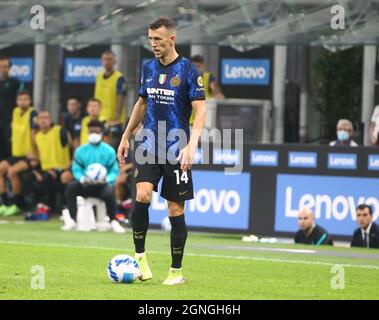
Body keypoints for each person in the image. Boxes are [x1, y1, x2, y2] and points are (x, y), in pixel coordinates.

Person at [117, 17, 206, 285]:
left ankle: (176, 272)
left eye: (158, 39)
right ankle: (141, 261)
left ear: (172, 39)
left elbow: (201, 110)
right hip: (148, 145)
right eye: (150, 39)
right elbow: (141, 104)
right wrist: (125, 136)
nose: (153, 44)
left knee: (174, 209)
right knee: (142, 195)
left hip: (177, 148)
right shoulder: (148, 68)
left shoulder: (189, 71)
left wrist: (192, 145)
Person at [64, 120, 125, 234]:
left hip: (101, 186)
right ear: (87, 133)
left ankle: (113, 221)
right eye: (91, 131)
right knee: (71, 187)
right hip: (85, 184)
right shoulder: (80, 150)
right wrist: (81, 178)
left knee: (110, 190)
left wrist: (107, 179)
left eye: (96, 132)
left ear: (101, 133)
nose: (94, 134)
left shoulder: (109, 151)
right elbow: (76, 168)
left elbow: (114, 170)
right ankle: (73, 219)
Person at [0, 90, 37, 216]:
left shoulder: (32, 113)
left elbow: (33, 134)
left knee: (12, 172)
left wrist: (34, 153)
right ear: (17, 101)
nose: (23, 102)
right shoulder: (15, 112)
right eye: (20, 99)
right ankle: (4, 203)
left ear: (30, 101)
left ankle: (17, 204)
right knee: (0, 169)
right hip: (15, 154)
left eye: (25, 99)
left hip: (27, 156)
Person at [31, 110, 71, 219]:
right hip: (46, 170)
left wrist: (69, 166)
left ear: (50, 120)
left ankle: (65, 209)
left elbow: (72, 148)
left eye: (46, 118)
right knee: (33, 178)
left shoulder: (59, 131)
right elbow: (39, 157)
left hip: (62, 168)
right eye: (41, 118)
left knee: (61, 178)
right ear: (37, 121)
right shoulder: (37, 136)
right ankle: (43, 207)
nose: (43, 121)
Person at [94, 50, 127, 148]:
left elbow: (120, 99)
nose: (107, 62)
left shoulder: (119, 78)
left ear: (114, 62)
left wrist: (115, 120)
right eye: (105, 59)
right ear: (101, 61)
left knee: (112, 150)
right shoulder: (99, 76)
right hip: (100, 119)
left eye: (109, 59)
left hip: (114, 122)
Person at [189, 54, 224, 125]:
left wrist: (218, 94)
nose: (195, 69)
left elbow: (216, 91)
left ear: (203, 66)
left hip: (205, 123)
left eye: (198, 66)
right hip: (188, 121)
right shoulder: (185, 79)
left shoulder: (208, 77)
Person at [0, 56, 24, 161]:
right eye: (1, 66)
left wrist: (15, 120)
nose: (3, 69)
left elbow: (22, 102)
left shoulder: (16, 83)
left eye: (5, 66)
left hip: (10, 122)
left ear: (10, 68)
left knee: (9, 150)